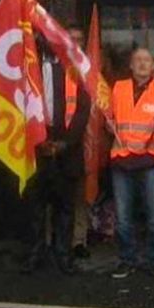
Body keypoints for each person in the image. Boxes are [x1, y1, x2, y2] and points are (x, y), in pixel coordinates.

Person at [21, 35, 91, 275]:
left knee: (65, 208)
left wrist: (64, 144)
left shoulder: (76, 70)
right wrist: (38, 142)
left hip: (66, 149)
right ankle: (35, 255)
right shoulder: (28, 71)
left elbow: (83, 110)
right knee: (35, 207)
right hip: (36, 148)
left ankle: (64, 256)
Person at [110, 47, 154, 281]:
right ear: (130, 65)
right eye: (137, 60)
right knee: (123, 216)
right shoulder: (117, 88)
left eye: (146, 60)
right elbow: (107, 118)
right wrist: (106, 125)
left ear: (153, 67)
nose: (141, 64)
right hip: (123, 159)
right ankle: (127, 259)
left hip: (151, 160)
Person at [66, 25, 92, 260]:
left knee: (78, 196)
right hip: (54, 141)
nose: (74, 43)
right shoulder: (55, 66)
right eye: (70, 39)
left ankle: (78, 241)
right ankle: (52, 240)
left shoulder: (89, 69)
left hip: (80, 142)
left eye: (79, 39)